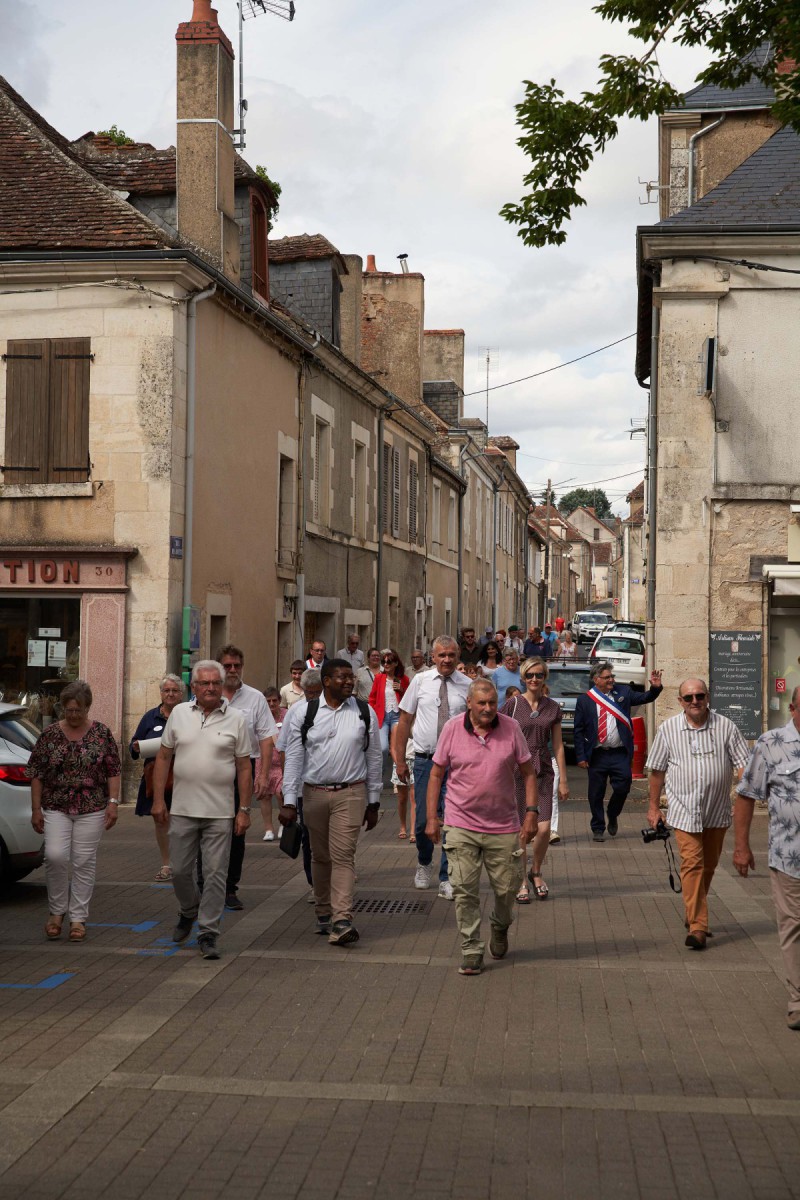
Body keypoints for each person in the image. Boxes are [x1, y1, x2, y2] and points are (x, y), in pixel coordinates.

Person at [425, 677, 538, 975]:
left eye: (492, 703)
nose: (488, 708)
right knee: (464, 890)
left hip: (503, 825)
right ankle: (471, 948)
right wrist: (431, 817)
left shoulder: (511, 728)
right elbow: (436, 774)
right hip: (460, 823)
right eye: (482, 703)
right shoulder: (452, 729)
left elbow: (528, 773)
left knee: (508, 889)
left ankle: (500, 926)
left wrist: (531, 812)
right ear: (469, 704)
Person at [152, 660, 252, 960]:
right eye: (204, 683)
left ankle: (208, 932)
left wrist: (244, 809)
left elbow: (244, 767)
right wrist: (158, 800)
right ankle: (188, 910)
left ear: (222, 686)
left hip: (220, 812)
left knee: (215, 874)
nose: (210, 688)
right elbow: (163, 757)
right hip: (183, 809)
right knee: (180, 871)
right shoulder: (180, 714)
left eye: (215, 683)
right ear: (193, 687)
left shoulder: (237, 718)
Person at [280, 659, 382, 946]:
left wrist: (373, 802)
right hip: (313, 794)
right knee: (320, 855)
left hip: (351, 793)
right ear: (326, 681)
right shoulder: (304, 712)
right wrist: (289, 801)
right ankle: (323, 911)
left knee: (343, 855)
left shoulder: (364, 712)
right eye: (343, 677)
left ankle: (342, 919)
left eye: (351, 677)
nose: (350, 681)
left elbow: (374, 757)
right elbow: (294, 758)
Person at [646, 678, 748, 950]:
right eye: (689, 697)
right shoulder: (668, 729)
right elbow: (657, 771)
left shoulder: (726, 727)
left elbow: (742, 764)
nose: (695, 701)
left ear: (707, 697)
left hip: (717, 810)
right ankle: (698, 926)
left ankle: (692, 912)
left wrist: (747, 791)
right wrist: (654, 807)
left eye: (700, 696)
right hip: (684, 810)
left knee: (709, 866)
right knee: (692, 864)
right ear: (680, 701)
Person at [28, 680, 121, 942]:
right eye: (69, 710)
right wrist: (36, 809)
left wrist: (113, 803)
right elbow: (36, 773)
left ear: (87, 708)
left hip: (91, 807)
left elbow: (113, 770)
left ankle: (78, 918)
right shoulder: (49, 734)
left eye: (78, 710)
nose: (73, 715)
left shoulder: (101, 733)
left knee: (83, 861)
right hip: (56, 805)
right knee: (55, 856)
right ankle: (57, 911)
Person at [734, 687, 800, 1028]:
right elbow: (746, 795)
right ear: (793, 708)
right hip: (789, 858)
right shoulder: (770, 743)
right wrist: (741, 847)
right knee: (793, 927)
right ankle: (798, 1001)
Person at [394, 635, 471, 900]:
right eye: (442, 655)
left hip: (457, 764)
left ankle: (446, 877)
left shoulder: (468, 685)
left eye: (451, 655)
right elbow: (404, 720)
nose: (447, 660)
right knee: (422, 822)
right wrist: (399, 760)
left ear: (457, 656)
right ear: (433, 657)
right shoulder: (420, 681)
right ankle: (424, 862)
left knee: (452, 820)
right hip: (426, 761)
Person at [201, 644, 276, 911]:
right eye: (227, 665)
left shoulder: (255, 698)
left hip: (242, 770)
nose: (233, 670)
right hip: (209, 771)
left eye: (237, 665)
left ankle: (230, 888)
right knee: (204, 829)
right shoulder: (206, 695)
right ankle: (203, 886)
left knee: (237, 830)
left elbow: (266, 738)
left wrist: (263, 775)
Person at [501, 657, 569, 902]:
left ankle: (536, 871)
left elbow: (558, 745)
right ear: (523, 677)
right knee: (522, 830)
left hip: (543, 770)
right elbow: (499, 735)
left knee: (543, 829)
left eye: (539, 675)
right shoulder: (512, 705)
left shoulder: (552, 707)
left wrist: (563, 779)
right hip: (517, 771)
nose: (534, 679)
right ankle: (521, 879)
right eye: (529, 675)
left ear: (544, 677)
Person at [575, 660, 663, 842]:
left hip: (619, 753)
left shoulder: (623, 692)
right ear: (596, 679)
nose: (611, 680)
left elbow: (645, 697)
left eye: (612, 676)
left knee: (623, 787)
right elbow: (579, 730)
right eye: (607, 677)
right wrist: (581, 756)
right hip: (597, 755)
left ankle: (613, 813)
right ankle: (598, 827)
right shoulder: (585, 700)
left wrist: (655, 688)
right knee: (596, 793)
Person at [130, 674, 186, 880]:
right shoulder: (150, 717)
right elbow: (134, 744)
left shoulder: (188, 715)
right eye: (166, 690)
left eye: (174, 691)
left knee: (184, 821)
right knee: (161, 820)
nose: (170, 694)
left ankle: (186, 860)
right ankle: (167, 864)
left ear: (181, 694)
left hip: (184, 777)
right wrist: (136, 746)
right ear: (161, 693)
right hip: (157, 778)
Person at [276, 668, 322, 893]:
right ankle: (314, 882)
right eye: (309, 692)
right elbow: (284, 749)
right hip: (305, 786)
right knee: (308, 837)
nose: (313, 696)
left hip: (329, 784)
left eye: (317, 692)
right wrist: (289, 788)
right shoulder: (296, 711)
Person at [368, 648, 409, 759]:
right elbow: (372, 698)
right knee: (383, 748)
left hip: (397, 716)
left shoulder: (404, 679)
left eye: (389, 662)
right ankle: (382, 769)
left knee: (395, 748)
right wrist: (372, 713)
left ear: (395, 663)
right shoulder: (379, 678)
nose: (385, 665)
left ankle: (397, 770)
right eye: (384, 662)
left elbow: (409, 700)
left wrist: (401, 690)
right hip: (382, 716)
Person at [260, 688, 286, 841]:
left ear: (279, 700)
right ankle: (268, 829)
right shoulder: (260, 716)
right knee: (265, 795)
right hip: (263, 761)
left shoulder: (286, 715)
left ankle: (283, 823)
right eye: (268, 701)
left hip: (281, 761)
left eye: (274, 700)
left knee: (281, 793)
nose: (271, 704)